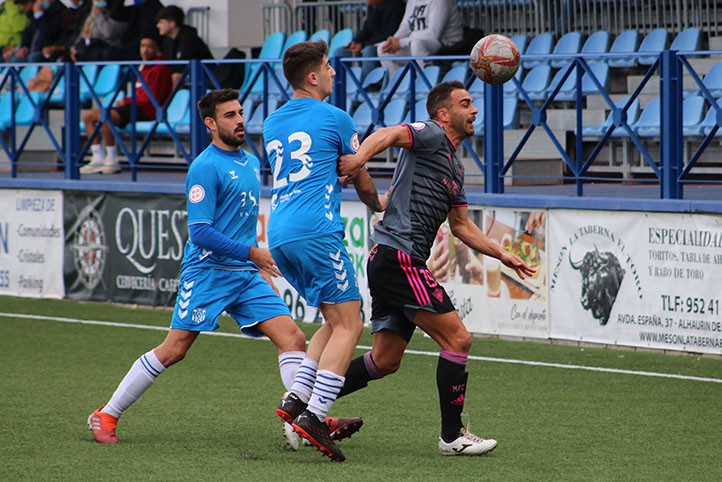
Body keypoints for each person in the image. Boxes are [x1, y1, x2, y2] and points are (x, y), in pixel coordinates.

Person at [87, 88, 361, 445]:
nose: (240, 120)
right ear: (210, 124)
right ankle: (106, 414)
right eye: (230, 115)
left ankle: (306, 414)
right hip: (208, 272)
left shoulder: (249, 161)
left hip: (245, 274)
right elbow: (200, 233)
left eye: (241, 113)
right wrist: (253, 254)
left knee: (292, 337)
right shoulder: (204, 166)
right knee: (175, 349)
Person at [336, 80, 536, 456]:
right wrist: (359, 159)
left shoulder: (455, 169)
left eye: (473, 103)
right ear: (444, 114)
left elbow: (461, 226)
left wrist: (502, 255)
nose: (474, 109)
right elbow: (389, 133)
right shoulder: (430, 134)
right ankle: (451, 436)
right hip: (400, 257)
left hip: (391, 260)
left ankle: (306, 403)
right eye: (465, 103)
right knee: (458, 339)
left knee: (385, 360)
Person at [263, 40, 386, 462]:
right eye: (329, 67)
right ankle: (316, 414)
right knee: (351, 324)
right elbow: (360, 175)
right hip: (316, 229)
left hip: (279, 231)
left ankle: (297, 397)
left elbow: (309, 166)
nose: (334, 73)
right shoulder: (335, 117)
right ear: (313, 76)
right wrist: (379, 205)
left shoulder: (271, 121)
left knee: (331, 322)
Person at [80, 33, 172, 175]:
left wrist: (127, 101)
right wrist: (128, 101)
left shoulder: (160, 68)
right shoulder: (143, 66)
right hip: (135, 106)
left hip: (148, 110)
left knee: (106, 117)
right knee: (88, 116)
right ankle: (97, 158)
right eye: (142, 46)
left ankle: (112, 159)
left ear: (157, 49)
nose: (145, 50)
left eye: (150, 46)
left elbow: (150, 98)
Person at [377, 0, 463, 75]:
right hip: (418, 42)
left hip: (447, 45)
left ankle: (426, 82)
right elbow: (406, 26)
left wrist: (402, 42)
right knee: (383, 49)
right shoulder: (412, 1)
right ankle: (399, 87)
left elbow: (433, 33)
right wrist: (394, 41)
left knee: (417, 45)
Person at [334, 0, 404, 79]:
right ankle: (337, 86)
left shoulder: (396, 6)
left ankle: (364, 87)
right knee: (340, 51)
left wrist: (363, 45)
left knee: (368, 50)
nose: (367, 2)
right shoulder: (372, 7)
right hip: (367, 44)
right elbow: (366, 29)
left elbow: (390, 34)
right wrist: (356, 42)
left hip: (383, 45)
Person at [155, 5, 213, 88]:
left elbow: (182, 65)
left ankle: (174, 101)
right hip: (189, 78)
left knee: (176, 77)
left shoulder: (189, 38)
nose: (157, 26)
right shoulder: (167, 41)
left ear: (172, 24)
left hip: (204, 79)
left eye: (160, 22)